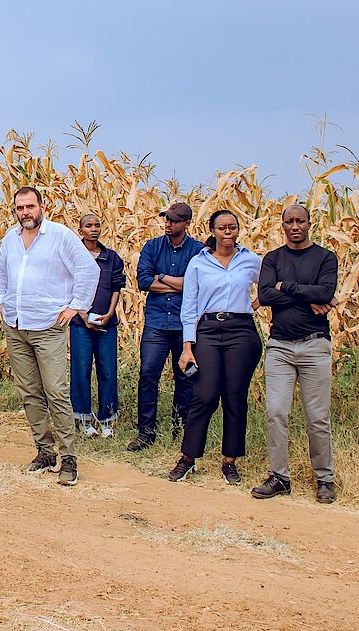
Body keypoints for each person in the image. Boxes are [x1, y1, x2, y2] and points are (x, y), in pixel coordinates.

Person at [0, 187, 98, 487]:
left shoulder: (60, 236)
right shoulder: (11, 239)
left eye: (30, 206)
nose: (25, 212)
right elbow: (0, 273)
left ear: (42, 206)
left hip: (47, 327)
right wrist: (0, 300)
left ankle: (69, 457)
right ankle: (45, 452)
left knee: (56, 391)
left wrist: (76, 306)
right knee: (29, 392)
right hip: (16, 326)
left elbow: (88, 269)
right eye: (20, 208)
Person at [169, 210, 263, 484]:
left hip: (241, 331)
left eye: (232, 227)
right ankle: (188, 458)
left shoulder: (249, 260)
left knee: (235, 397)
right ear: (213, 231)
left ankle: (230, 462)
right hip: (208, 331)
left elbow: (270, 282)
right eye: (222, 227)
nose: (227, 231)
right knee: (205, 395)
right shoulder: (199, 263)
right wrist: (187, 347)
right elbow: (189, 307)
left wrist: (256, 303)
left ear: (238, 230)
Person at [253, 204, 339, 504]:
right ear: (282, 225)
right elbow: (264, 295)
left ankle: (325, 479)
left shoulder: (325, 257)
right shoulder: (273, 258)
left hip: (315, 346)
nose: (294, 226)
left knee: (317, 417)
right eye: (289, 221)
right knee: (276, 412)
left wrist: (285, 286)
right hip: (280, 346)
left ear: (309, 223)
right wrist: (307, 295)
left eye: (300, 221)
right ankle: (279, 477)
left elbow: (325, 293)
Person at [129, 202, 205, 452]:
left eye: (174, 220)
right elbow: (143, 281)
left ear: (187, 223)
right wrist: (179, 284)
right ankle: (146, 432)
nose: (168, 224)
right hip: (157, 322)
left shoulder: (198, 250)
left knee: (186, 377)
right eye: (167, 219)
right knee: (148, 375)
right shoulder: (152, 246)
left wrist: (161, 277)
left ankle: (180, 429)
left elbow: (196, 284)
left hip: (185, 324)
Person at [70, 213, 126, 438]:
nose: (93, 229)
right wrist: (84, 316)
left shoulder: (111, 258)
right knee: (81, 370)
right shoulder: (73, 256)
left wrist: (110, 313)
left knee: (107, 370)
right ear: (80, 230)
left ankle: (107, 419)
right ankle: (83, 419)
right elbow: (68, 288)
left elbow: (116, 287)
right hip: (79, 324)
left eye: (97, 225)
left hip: (107, 324)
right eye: (88, 226)